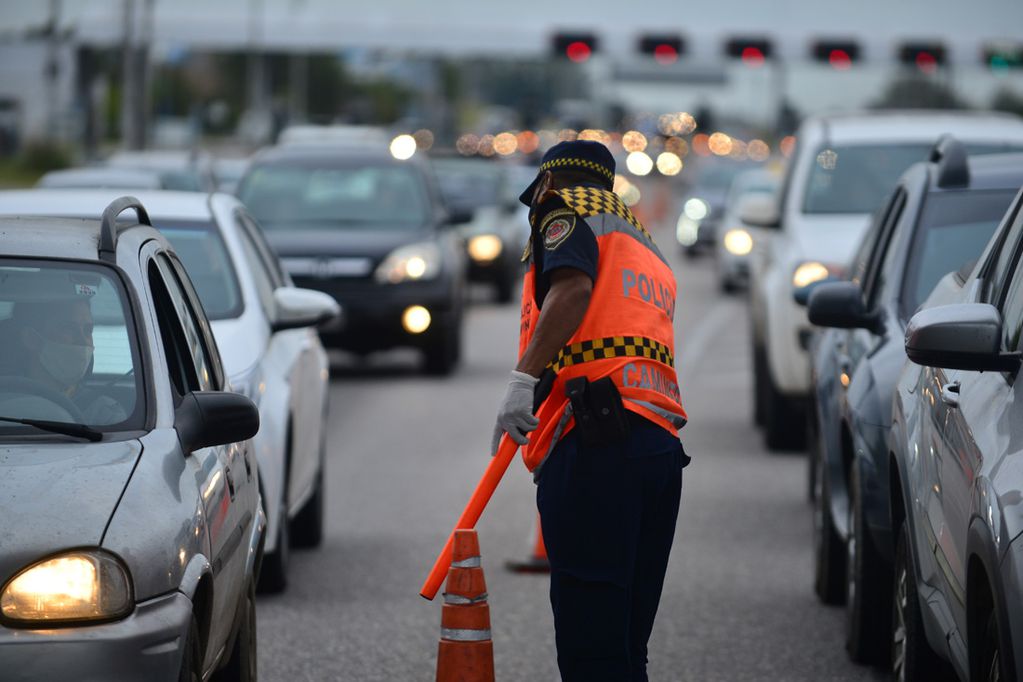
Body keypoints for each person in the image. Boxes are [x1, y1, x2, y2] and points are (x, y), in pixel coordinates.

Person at [491, 140, 690, 681]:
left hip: (596, 447)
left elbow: (573, 291)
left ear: (549, 182)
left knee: (591, 651)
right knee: (626, 645)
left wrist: (522, 379)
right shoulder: (642, 243)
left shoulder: (565, 210)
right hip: (658, 449)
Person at [9, 296, 126, 424]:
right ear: (31, 339)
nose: (83, 341)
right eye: (69, 328)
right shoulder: (6, 402)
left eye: (88, 330)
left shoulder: (105, 414)